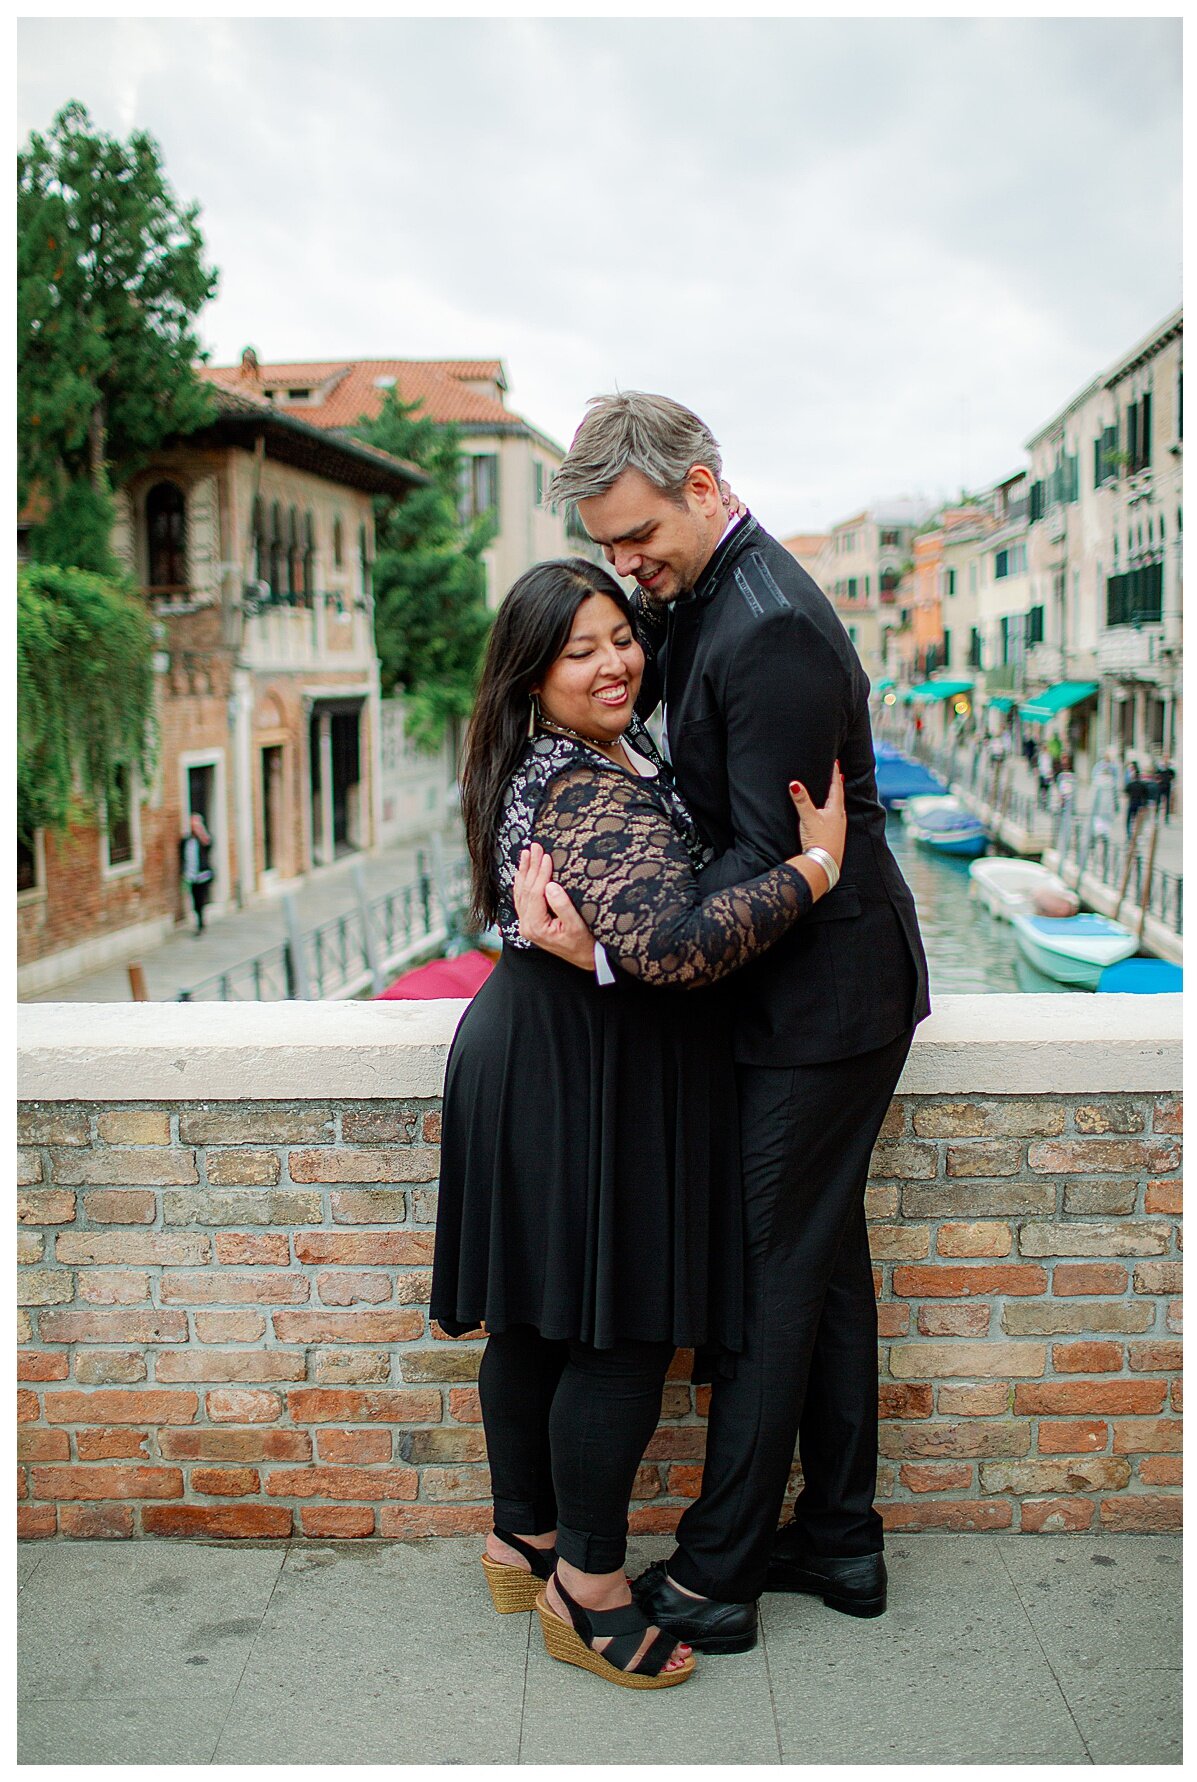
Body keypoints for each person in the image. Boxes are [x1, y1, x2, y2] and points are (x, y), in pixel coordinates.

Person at [515, 392, 929, 1653]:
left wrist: (625, 946)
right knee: (823, 1269)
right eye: (608, 544)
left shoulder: (772, 631)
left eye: (637, 537)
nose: (625, 568)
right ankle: (844, 1540)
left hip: (823, 1001)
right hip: (808, 997)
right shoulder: (703, 595)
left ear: (703, 483)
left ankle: (719, 1575)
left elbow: (767, 855)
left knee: (763, 1281)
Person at [430, 557, 847, 1690]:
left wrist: (601, 950)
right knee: (615, 1333)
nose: (614, 662)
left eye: (622, 635)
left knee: (535, 1320)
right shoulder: (582, 785)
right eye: (580, 650)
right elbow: (675, 947)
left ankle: (523, 1536)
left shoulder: (602, 752)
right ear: (531, 673)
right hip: (578, 1067)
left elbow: (633, 939)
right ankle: (590, 1589)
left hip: (550, 1049)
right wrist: (813, 871)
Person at [179, 812, 213, 934]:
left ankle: (200, 923)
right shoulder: (185, 841)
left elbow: (209, 844)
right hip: (191, 876)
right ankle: (200, 920)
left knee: (200, 898)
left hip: (203, 875)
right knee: (194, 900)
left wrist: (200, 830)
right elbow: (182, 858)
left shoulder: (203, 840)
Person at [1125, 758, 1146, 836]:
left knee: (1129, 820)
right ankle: (1136, 834)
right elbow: (1145, 795)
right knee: (1137, 820)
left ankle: (1129, 834)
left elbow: (1126, 792)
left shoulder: (1130, 784)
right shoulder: (1142, 785)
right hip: (1139, 804)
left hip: (1132, 803)